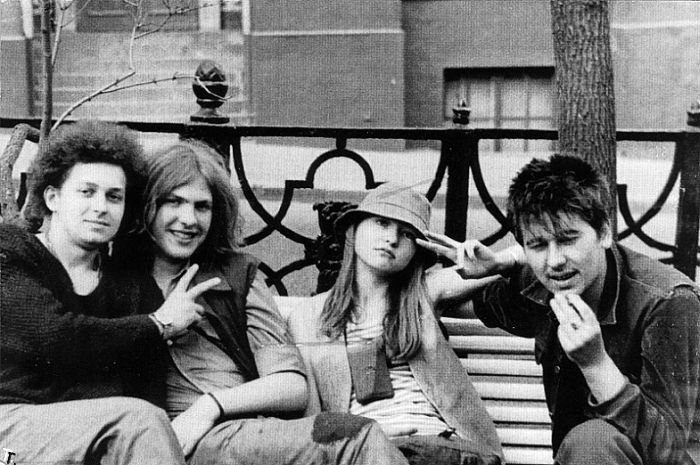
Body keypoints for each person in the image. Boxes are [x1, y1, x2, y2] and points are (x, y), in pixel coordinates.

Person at [116, 140, 409, 465]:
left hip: (240, 432)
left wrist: (211, 405)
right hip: (175, 442)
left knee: (357, 436)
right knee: (357, 438)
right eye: (173, 202)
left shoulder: (238, 275)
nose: (189, 219)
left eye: (202, 207)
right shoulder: (115, 278)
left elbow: (291, 385)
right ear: (147, 205)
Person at [419, 154, 700, 465]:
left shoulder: (668, 303)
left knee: (593, 440)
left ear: (604, 232)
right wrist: (500, 264)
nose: (554, 261)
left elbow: (670, 452)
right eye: (538, 245)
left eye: (568, 240)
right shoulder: (546, 287)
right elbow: (439, 294)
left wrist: (596, 364)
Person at [0, 121, 219, 465]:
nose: (101, 207)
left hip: (84, 446)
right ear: (53, 198)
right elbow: (54, 336)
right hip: (9, 442)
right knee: (139, 421)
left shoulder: (131, 288)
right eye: (87, 192)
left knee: (144, 419)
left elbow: (147, 392)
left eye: (114, 196)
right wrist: (158, 324)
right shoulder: (11, 253)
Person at [282, 182, 504, 465]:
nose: (392, 239)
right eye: (381, 223)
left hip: (440, 446)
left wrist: (495, 263)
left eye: (407, 234)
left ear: (417, 251)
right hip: (365, 450)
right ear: (354, 230)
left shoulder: (423, 294)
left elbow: (524, 263)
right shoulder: (308, 315)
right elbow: (314, 422)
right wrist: (362, 437)